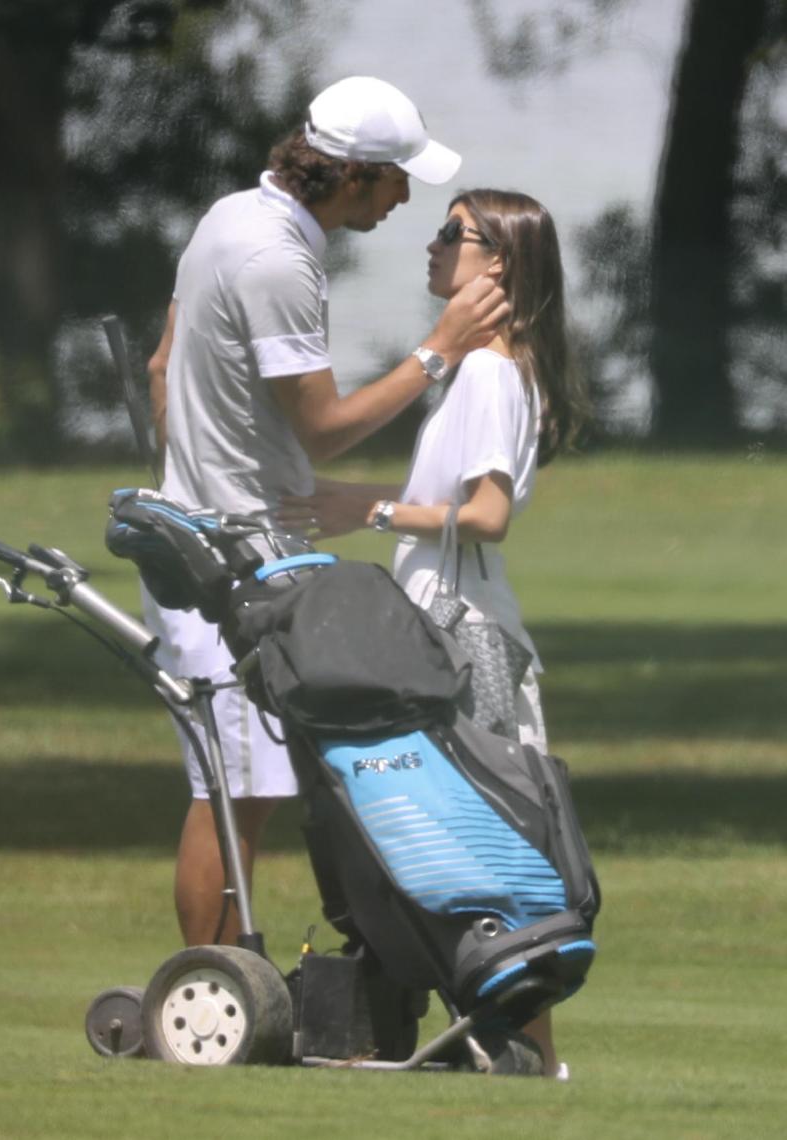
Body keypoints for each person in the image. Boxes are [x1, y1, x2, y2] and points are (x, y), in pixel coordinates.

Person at [143, 78, 508, 950]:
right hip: (229, 555)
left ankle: (235, 980)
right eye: (396, 180)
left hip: (209, 533)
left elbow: (162, 369)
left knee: (248, 783)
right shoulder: (277, 260)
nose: (404, 199)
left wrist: (196, 465)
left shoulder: (230, 216)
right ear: (352, 175)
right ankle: (213, 991)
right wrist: (438, 348)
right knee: (234, 791)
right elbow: (325, 431)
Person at [279, 189, 588, 1076]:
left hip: (463, 635)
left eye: (452, 234)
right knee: (463, 840)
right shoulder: (476, 370)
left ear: (496, 263)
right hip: (446, 626)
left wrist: (363, 509)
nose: (431, 245)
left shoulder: (489, 372)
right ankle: (494, 1049)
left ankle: (532, 1056)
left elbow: (487, 516)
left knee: (495, 843)